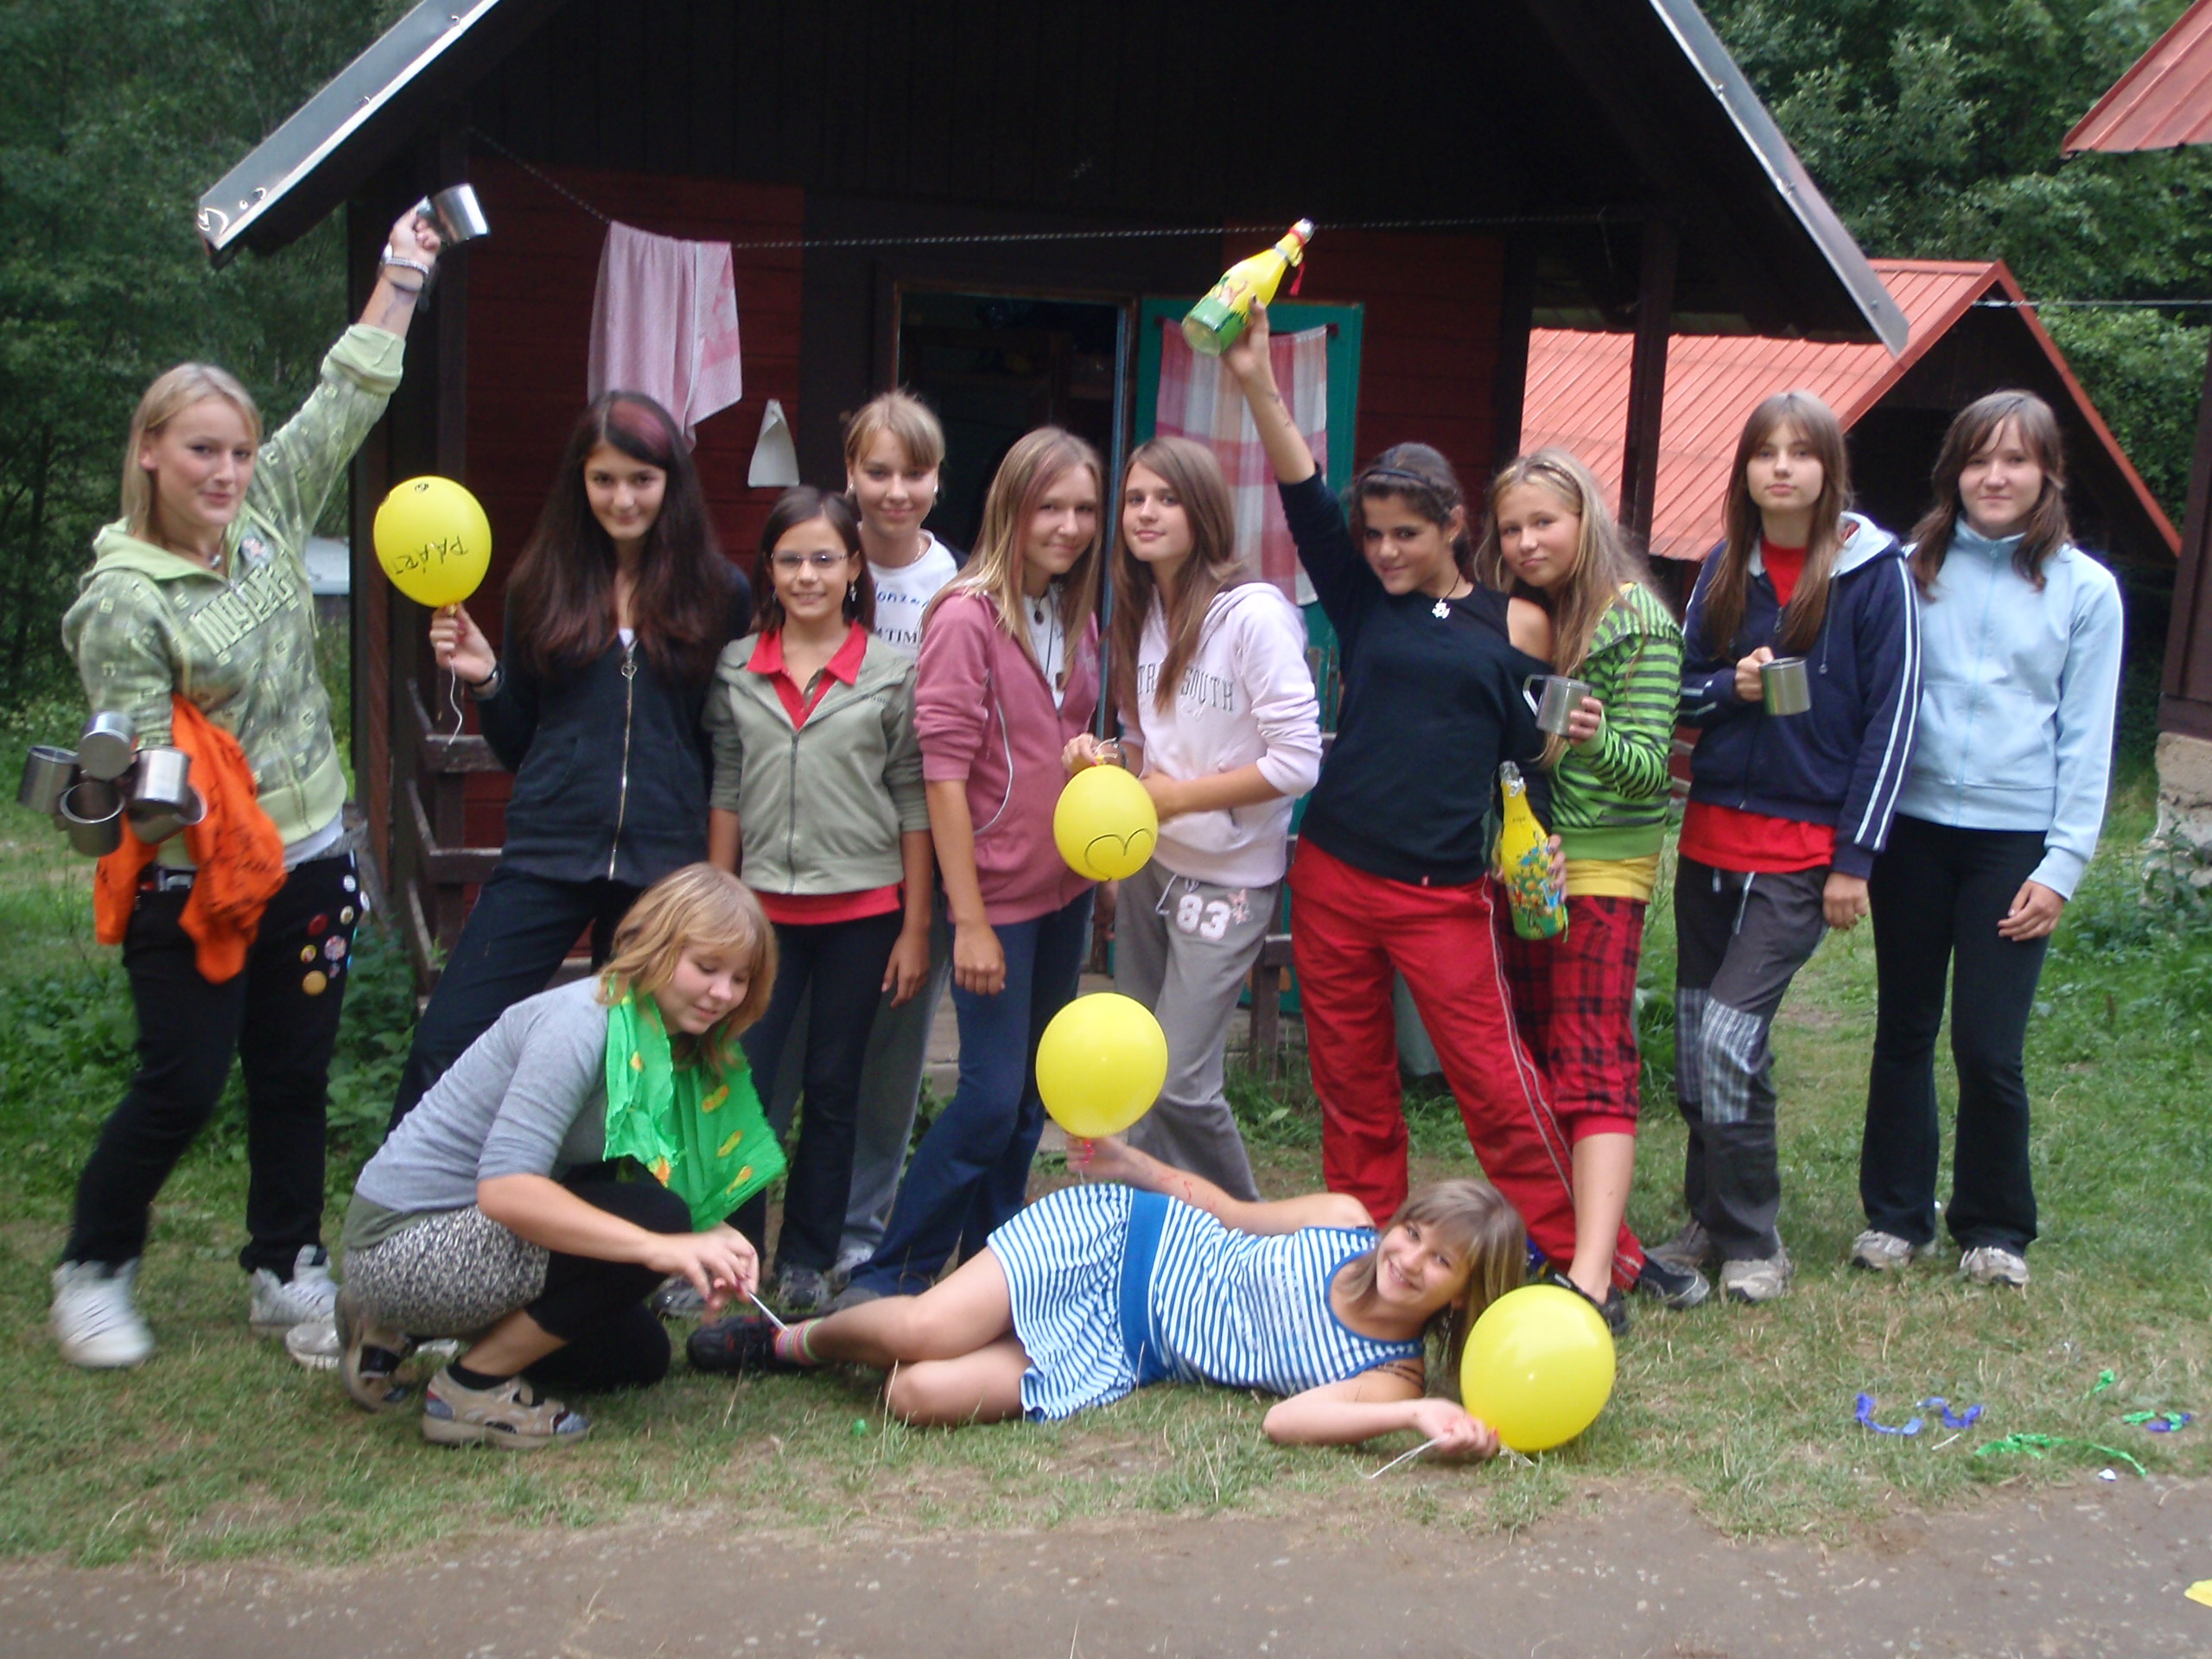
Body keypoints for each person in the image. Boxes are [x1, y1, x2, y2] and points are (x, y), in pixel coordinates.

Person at [50, 208, 445, 1370]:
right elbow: (130, 757)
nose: (225, 473)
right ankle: (94, 1269)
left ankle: (286, 1267)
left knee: (293, 1073)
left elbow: (348, 394)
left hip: (314, 856)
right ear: (150, 453)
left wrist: (402, 273)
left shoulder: (269, 513)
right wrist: (129, 801)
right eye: (200, 452)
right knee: (180, 1083)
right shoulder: (124, 600)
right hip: (198, 878)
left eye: (236, 451)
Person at [1222, 302, 1637, 1293]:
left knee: (1495, 1085)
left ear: (1454, 526)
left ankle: (1586, 1259)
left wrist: (1544, 836)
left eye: (1405, 534)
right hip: (1332, 876)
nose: (1383, 551)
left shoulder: (1519, 625)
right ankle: (1368, 1249)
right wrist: (1255, 380)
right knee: (1352, 1083)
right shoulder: (1363, 598)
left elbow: (1528, 762)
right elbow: (1302, 493)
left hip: (1444, 894)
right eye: (1372, 534)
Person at [386, 391, 753, 1130]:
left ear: (671, 484)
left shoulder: (720, 594)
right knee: (447, 1040)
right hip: (548, 853)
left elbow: (722, 743)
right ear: (579, 482)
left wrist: (718, 871)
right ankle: (403, 1191)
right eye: (604, 479)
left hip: (663, 867)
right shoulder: (541, 583)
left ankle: (605, 1200)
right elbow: (522, 744)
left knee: (638, 1063)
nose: (623, 498)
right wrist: (488, 679)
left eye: (641, 479)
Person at [689, 1135, 1519, 1454]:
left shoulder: (1391, 1375)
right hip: (1119, 1236)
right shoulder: (1342, 1221)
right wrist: (1139, 1169)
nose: (1410, 1258)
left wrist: (1417, 1416)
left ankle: (857, 1342)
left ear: (1462, 1296)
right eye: (1413, 1233)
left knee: (916, 1393)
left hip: (1122, 1346)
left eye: (1441, 1262)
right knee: (922, 1329)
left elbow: (1284, 1422)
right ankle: (792, 1341)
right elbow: (1231, 1214)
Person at [334, 865, 772, 1448]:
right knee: (658, 1220)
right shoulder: (582, 1022)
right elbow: (507, 1190)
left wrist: (712, 1230)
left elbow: (633, 1167)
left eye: (740, 978)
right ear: (658, 945)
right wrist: (662, 1244)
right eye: (707, 968)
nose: (723, 993)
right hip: (403, 1244)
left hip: (467, 1238)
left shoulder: (659, 1035)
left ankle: (393, 1329)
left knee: (639, 1356)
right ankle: (468, 1388)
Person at [1651, 391, 1920, 1304]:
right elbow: (1676, 692)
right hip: (1709, 842)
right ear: (1744, 471)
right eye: (1764, 451)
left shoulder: (1873, 575)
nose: (1780, 467)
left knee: (1731, 1035)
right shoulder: (1723, 566)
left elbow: (1893, 722)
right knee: (1698, 1042)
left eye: (1800, 452)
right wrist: (1728, 687)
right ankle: (1707, 1217)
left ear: (1828, 470)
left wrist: (1856, 859)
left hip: (1801, 853)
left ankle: (1755, 1238)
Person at [1855, 391, 2123, 1290]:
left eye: (2015, 460)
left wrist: (2062, 866)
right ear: (1953, 473)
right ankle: (1895, 1218)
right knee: (1904, 1028)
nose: (1995, 477)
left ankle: (1995, 1226)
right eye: (1978, 460)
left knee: (1987, 1045)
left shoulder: (2086, 591)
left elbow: (2088, 738)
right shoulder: (1909, 569)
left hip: (2014, 844)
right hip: (1913, 834)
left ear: (2048, 473)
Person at [836, 427, 1103, 1304]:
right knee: (989, 1099)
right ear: (1010, 507)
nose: (1068, 526)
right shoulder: (966, 615)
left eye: (1084, 509)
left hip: (1066, 889)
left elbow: (1057, 736)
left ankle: (992, 1279)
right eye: (1050, 506)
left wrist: (1090, 762)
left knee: (1030, 1100)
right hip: (997, 899)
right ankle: (891, 1275)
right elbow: (943, 774)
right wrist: (972, 918)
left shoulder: (1072, 609)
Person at [1474, 448, 1701, 1327]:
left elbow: (1651, 773)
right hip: (1532, 864)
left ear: (1586, 520)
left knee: (1591, 1059)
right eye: (1512, 528)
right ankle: (1602, 1250)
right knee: (1535, 1059)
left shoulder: (1636, 622)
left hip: (1603, 868)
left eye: (1544, 522)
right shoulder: (1523, 614)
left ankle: (1593, 1278)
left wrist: (1592, 737)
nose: (1527, 542)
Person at [1062, 435, 1322, 1201]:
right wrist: (1107, 760)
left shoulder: (1254, 615)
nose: (1146, 513)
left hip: (1229, 881)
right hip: (1151, 867)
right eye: (1135, 499)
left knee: (1179, 1081)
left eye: (1167, 499)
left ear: (1203, 511)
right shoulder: (1142, 610)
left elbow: (1298, 763)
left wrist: (1176, 798)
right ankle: (1157, 1226)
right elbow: (1146, 744)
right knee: (1134, 1074)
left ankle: (1248, 1229)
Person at [704, 487, 931, 1313]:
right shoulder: (737, 668)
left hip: (861, 917)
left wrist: (914, 925)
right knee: (742, 1085)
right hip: (761, 918)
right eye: (791, 559)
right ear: (768, 570)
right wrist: (719, 908)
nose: (807, 575)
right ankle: (729, 1252)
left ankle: (806, 1256)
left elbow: (913, 802)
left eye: (825, 559)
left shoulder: (891, 674)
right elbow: (727, 788)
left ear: (854, 568)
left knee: (835, 1088)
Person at [761, 394, 967, 1287]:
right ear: (848, 473)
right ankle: (742, 1217)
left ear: (938, 481)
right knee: (775, 1048)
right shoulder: (812, 561)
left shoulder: (957, 584)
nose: (895, 491)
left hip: (915, 854)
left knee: (884, 1060)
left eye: (914, 473)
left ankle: (854, 1231)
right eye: (876, 471)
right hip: (805, 852)